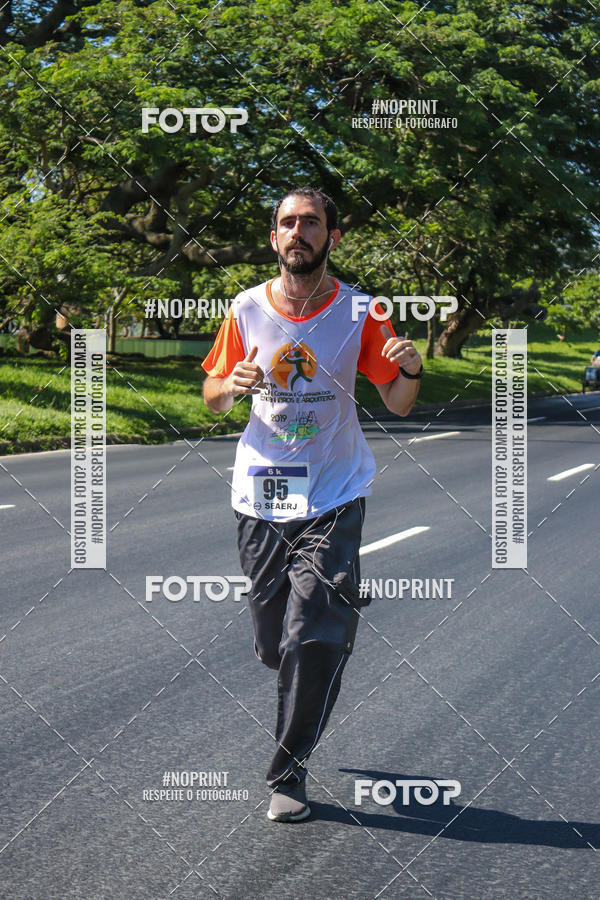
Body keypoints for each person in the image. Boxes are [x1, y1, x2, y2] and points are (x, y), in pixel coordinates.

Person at [201, 187, 423, 822]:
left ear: (332, 236)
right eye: (288, 223)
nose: (298, 231)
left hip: (335, 490)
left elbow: (398, 403)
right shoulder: (246, 308)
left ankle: (288, 772)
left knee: (312, 634)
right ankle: (315, 632)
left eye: (311, 222)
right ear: (274, 238)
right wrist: (230, 384)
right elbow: (212, 395)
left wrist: (410, 369)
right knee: (275, 643)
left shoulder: (360, 311)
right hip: (263, 490)